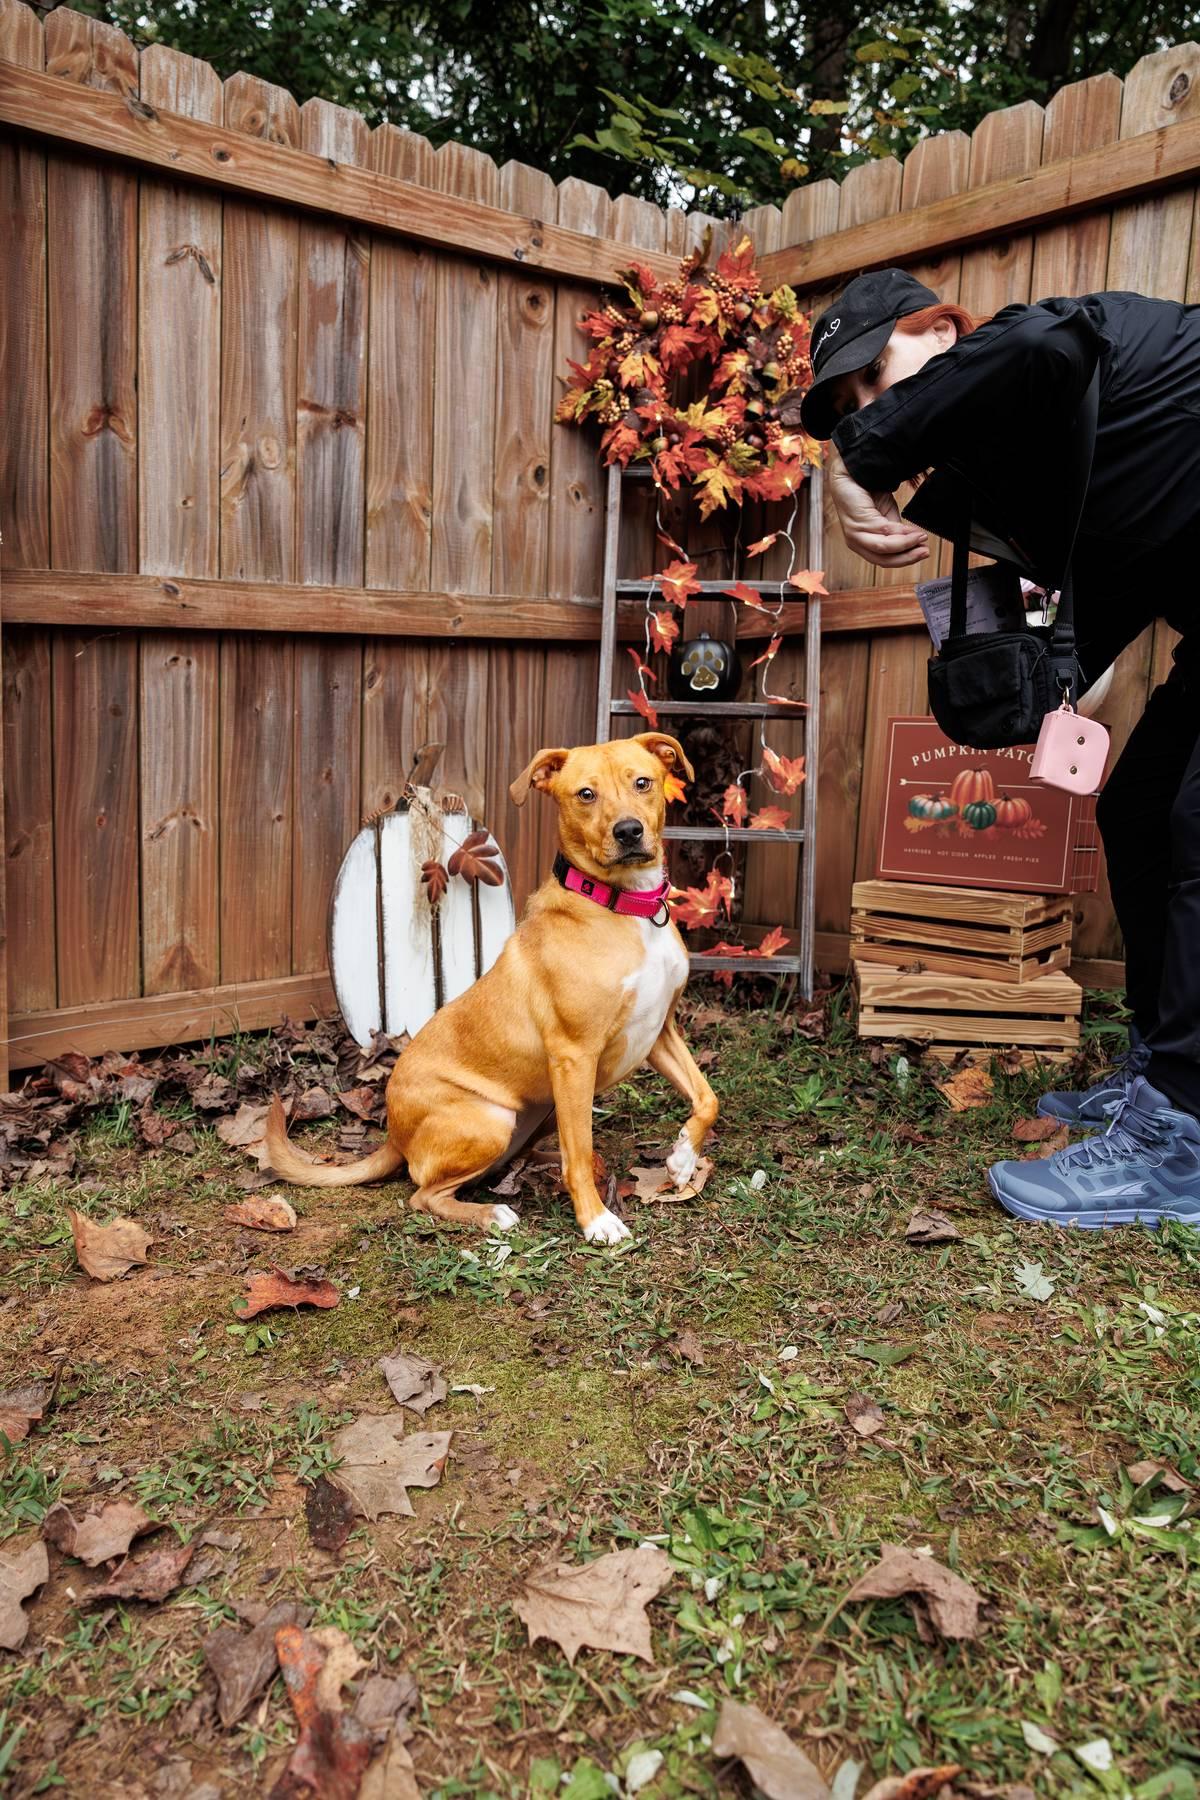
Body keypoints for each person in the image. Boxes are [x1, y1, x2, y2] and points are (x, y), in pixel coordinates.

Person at [799, 269, 1200, 1227]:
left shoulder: (1045, 345)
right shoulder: (1029, 473)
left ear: (941, 330)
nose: (869, 404)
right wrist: (1028, 677)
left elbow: (1028, 353)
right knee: (1140, 808)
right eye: (846, 403)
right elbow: (1099, 604)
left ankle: (1184, 1135)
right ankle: (1162, 1074)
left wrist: (856, 459)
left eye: (872, 374)